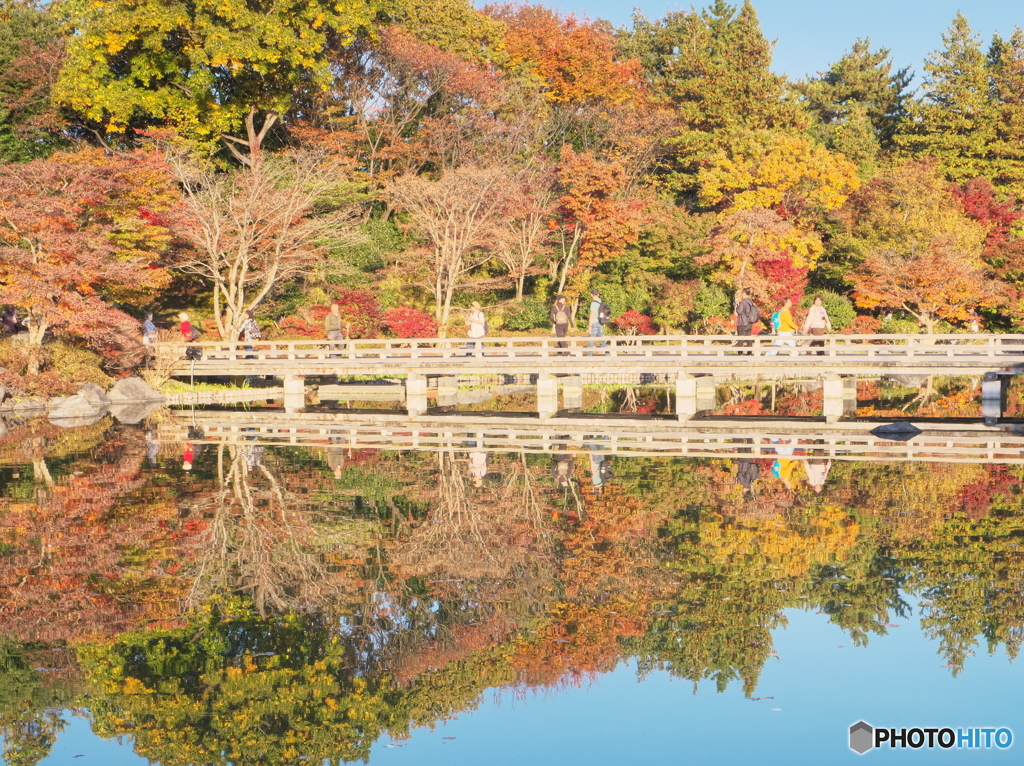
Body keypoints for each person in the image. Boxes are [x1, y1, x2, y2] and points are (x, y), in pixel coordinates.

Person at [735, 289, 760, 354]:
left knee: (740, 338)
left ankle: (740, 353)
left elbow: (739, 311)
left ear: (743, 294)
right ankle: (749, 352)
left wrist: (736, 306)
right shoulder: (751, 302)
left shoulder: (743, 302)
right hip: (750, 322)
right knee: (748, 338)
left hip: (743, 322)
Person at [587, 289, 607, 353]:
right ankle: (607, 352)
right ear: (598, 294)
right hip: (601, 322)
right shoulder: (602, 302)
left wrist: (589, 325)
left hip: (594, 322)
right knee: (601, 338)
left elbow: (592, 314)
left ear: (591, 295)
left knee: (591, 339)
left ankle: (589, 355)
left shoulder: (593, 303)